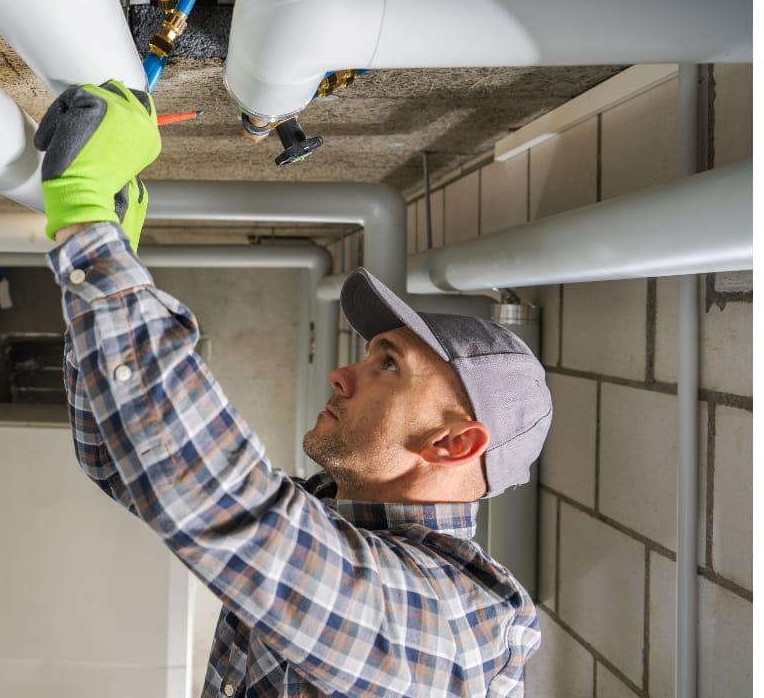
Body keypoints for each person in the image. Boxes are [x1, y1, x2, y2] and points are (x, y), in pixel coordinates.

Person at [35, 80, 553, 697]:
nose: (343, 373)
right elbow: (123, 463)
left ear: (453, 443)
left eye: (388, 365)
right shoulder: (334, 524)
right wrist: (109, 252)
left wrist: (89, 222)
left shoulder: (460, 620)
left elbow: (230, 509)